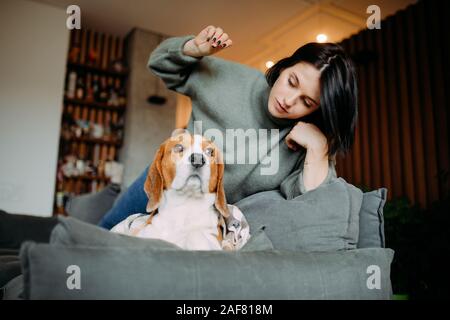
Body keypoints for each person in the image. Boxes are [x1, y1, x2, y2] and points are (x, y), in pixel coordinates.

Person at [98, 25, 358, 229]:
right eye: (292, 82)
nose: (289, 101)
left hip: (209, 221)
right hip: (163, 186)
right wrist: (191, 48)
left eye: (307, 101)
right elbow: (158, 64)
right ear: (285, 65)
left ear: (317, 110)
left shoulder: (305, 142)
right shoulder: (230, 78)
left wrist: (318, 148)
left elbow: (312, 204)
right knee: (100, 238)